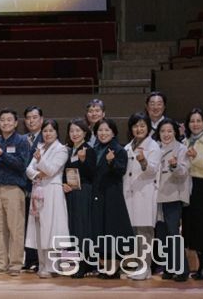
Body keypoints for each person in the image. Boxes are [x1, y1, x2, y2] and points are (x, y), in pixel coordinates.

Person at [0, 108, 30, 276]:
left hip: (14, 189)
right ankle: (0, 263)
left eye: (9, 120)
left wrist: (3, 155)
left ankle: (15, 264)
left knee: (15, 228)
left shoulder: (21, 141)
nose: (5, 123)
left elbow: (22, 165)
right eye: (2, 120)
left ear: (16, 123)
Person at [25, 119, 69, 278]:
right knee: (39, 227)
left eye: (51, 130)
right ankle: (42, 264)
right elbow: (28, 170)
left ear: (57, 132)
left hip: (52, 192)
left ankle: (53, 266)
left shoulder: (62, 149)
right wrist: (38, 174)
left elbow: (51, 170)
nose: (48, 134)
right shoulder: (41, 148)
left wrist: (40, 162)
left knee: (51, 228)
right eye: (45, 131)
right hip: (38, 190)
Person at [91, 118, 134, 279]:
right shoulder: (95, 149)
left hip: (112, 195)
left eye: (107, 130)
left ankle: (114, 267)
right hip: (98, 194)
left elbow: (121, 170)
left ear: (114, 132)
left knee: (112, 230)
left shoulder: (119, 150)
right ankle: (105, 265)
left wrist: (111, 162)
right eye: (100, 130)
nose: (103, 133)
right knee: (101, 230)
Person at [123, 112, 161, 280]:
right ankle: (139, 267)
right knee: (134, 234)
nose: (139, 129)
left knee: (145, 233)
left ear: (148, 128)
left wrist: (143, 161)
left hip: (145, 194)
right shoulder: (127, 147)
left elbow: (152, 170)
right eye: (135, 126)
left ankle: (145, 268)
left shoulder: (153, 146)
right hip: (130, 194)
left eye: (142, 126)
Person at [154, 118, 190, 281]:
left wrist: (175, 166)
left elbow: (183, 172)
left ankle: (182, 270)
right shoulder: (156, 148)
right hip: (157, 197)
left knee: (173, 233)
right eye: (163, 131)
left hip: (173, 196)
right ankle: (169, 267)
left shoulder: (181, 148)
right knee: (162, 235)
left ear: (175, 132)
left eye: (169, 131)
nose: (166, 134)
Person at [62, 119, 96, 278]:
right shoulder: (69, 150)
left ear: (84, 132)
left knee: (83, 228)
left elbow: (92, 174)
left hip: (84, 193)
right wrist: (64, 184)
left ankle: (85, 264)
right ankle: (72, 262)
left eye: (78, 130)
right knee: (72, 228)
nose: (74, 134)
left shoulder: (89, 150)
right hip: (71, 193)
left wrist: (83, 160)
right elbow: (65, 172)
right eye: (71, 131)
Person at [183, 107, 203, 280]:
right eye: (192, 121)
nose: (195, 124)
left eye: (198, 121)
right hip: (188, 186)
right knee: (192, 226)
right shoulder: (185, 141)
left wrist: (196, 158)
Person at [21, 105, 43, 272]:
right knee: (26, 225)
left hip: (40, 187)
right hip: (22, 188)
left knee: (39, 224)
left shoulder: (46, 137)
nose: (31, 121)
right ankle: (29, 258)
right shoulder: (21, 139)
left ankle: (40, 259)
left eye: (35, 117)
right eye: (28, 118)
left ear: (41, 120)